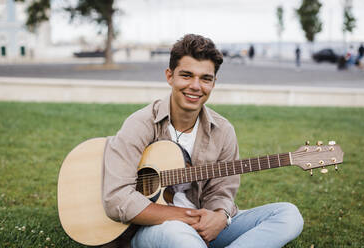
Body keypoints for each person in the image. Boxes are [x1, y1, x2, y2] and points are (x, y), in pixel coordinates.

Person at [102, 34, 303, 248]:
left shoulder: (223, 130)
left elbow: (222, 191)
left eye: (205, 78)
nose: (196, 86)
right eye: (187, 76)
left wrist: (220, 216)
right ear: (170, 76)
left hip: (203, 226)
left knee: (288, 215)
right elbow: (117, 198)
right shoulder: (141, 123)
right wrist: (183, 217)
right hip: (155, 229)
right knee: (176, 231)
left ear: (214, 82)